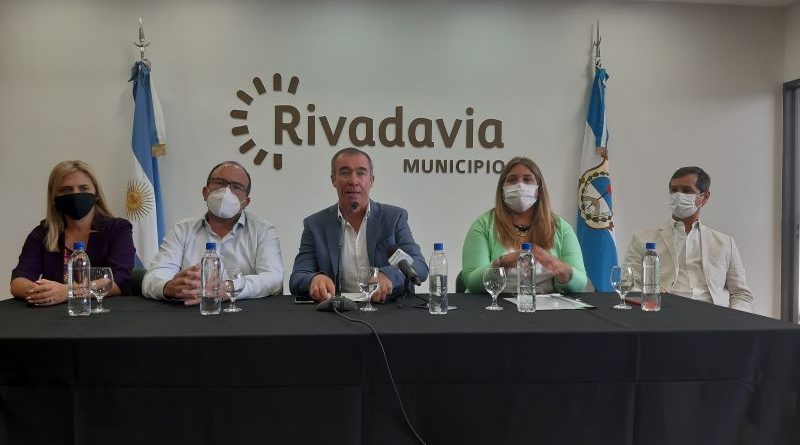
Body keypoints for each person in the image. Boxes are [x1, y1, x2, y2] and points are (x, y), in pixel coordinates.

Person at [289, 147, 428, 302]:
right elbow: (298, 277)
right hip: (337, 309)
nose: (353, 181)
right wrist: (314, 279)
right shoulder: (315, 225)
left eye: (361, 173)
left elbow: (420, 266)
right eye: (345, 173)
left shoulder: (394, 218)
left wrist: (388, 275)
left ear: (371, 180)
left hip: (387, 308)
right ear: (333, 180)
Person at [142, 161, 284, 303]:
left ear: (245, 202)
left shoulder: (263, 230)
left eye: (237, 186)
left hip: (244, 312)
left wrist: (230, 288)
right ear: (205, 192)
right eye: (220, 183)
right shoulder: (182, 230)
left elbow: (273, 278)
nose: (226, 191)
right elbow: (151, 279)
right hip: (190, 311)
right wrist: (168, 287)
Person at [623, 166, 754, 312]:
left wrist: (735, 319)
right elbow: (628, 285)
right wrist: (649, 296)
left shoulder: (724, 243)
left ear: (704, 197)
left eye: (686, 190)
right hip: (663, 314)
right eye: (674, 190)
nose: (678, 195)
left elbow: (741, 294)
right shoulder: (642, 239)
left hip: (714, 317)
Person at [10, 160, 135, 306]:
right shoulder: (43, 233)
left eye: (84, 188)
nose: (76, 195)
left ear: (96, 194)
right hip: (54, 314)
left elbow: (118, 281)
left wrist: (69, 292)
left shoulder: (118, 229)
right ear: (54, 197)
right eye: (66, 190)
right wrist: (44, 292)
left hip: (108, 311)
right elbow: (18, 281)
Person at [461, 156, 587, 294]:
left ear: (539, 189)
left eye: (527, 180)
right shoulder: (483, 225)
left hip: (546, 304)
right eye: (512, 180)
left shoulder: (560, 227)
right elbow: (470, 281)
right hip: (494, 303)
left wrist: (555, 265)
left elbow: (580, 282)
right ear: (502, 189)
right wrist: (501, 263)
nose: (520, 185)